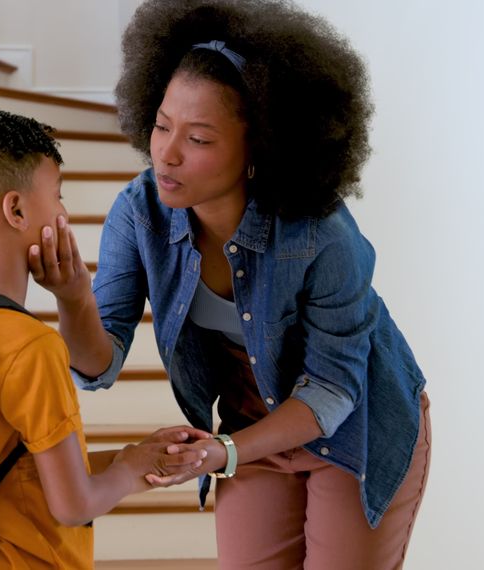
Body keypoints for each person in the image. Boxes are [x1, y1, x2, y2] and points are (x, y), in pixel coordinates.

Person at [28, 1, 431, 568]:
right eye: (162, 125)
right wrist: (73, 299)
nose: (166, 153)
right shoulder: (139, 212)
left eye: (198, 139)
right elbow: (100, 365)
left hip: (355, 430)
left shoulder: (322, 234)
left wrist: (225, 451)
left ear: (257, 150)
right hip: (250, 425)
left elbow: (331, 390)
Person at [0, 107, 211, 569]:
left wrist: (134, 457)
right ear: (16, 210)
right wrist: (130, 470)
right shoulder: (32, 348)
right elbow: (74, 505)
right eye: (58, 196)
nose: (63, 212)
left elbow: (20, 472)